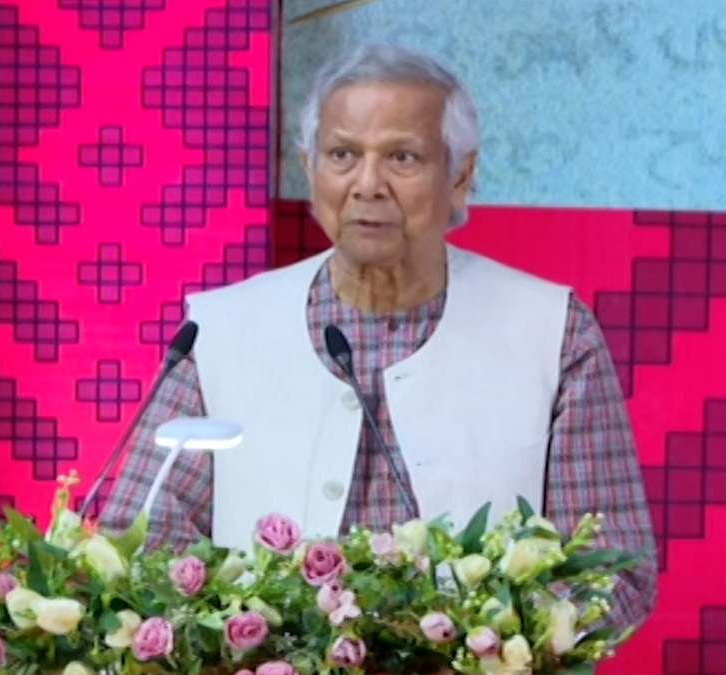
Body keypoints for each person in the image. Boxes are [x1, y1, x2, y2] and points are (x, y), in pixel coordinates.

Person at [101, 43, 656, 630]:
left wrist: (493, 649)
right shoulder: (218, 331)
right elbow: (135, 537)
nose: (368, 184)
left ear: (461, 175)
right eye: (342, 154)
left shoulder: (554, 332)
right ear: (310, 168)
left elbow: (612, 570)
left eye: (402, 157)